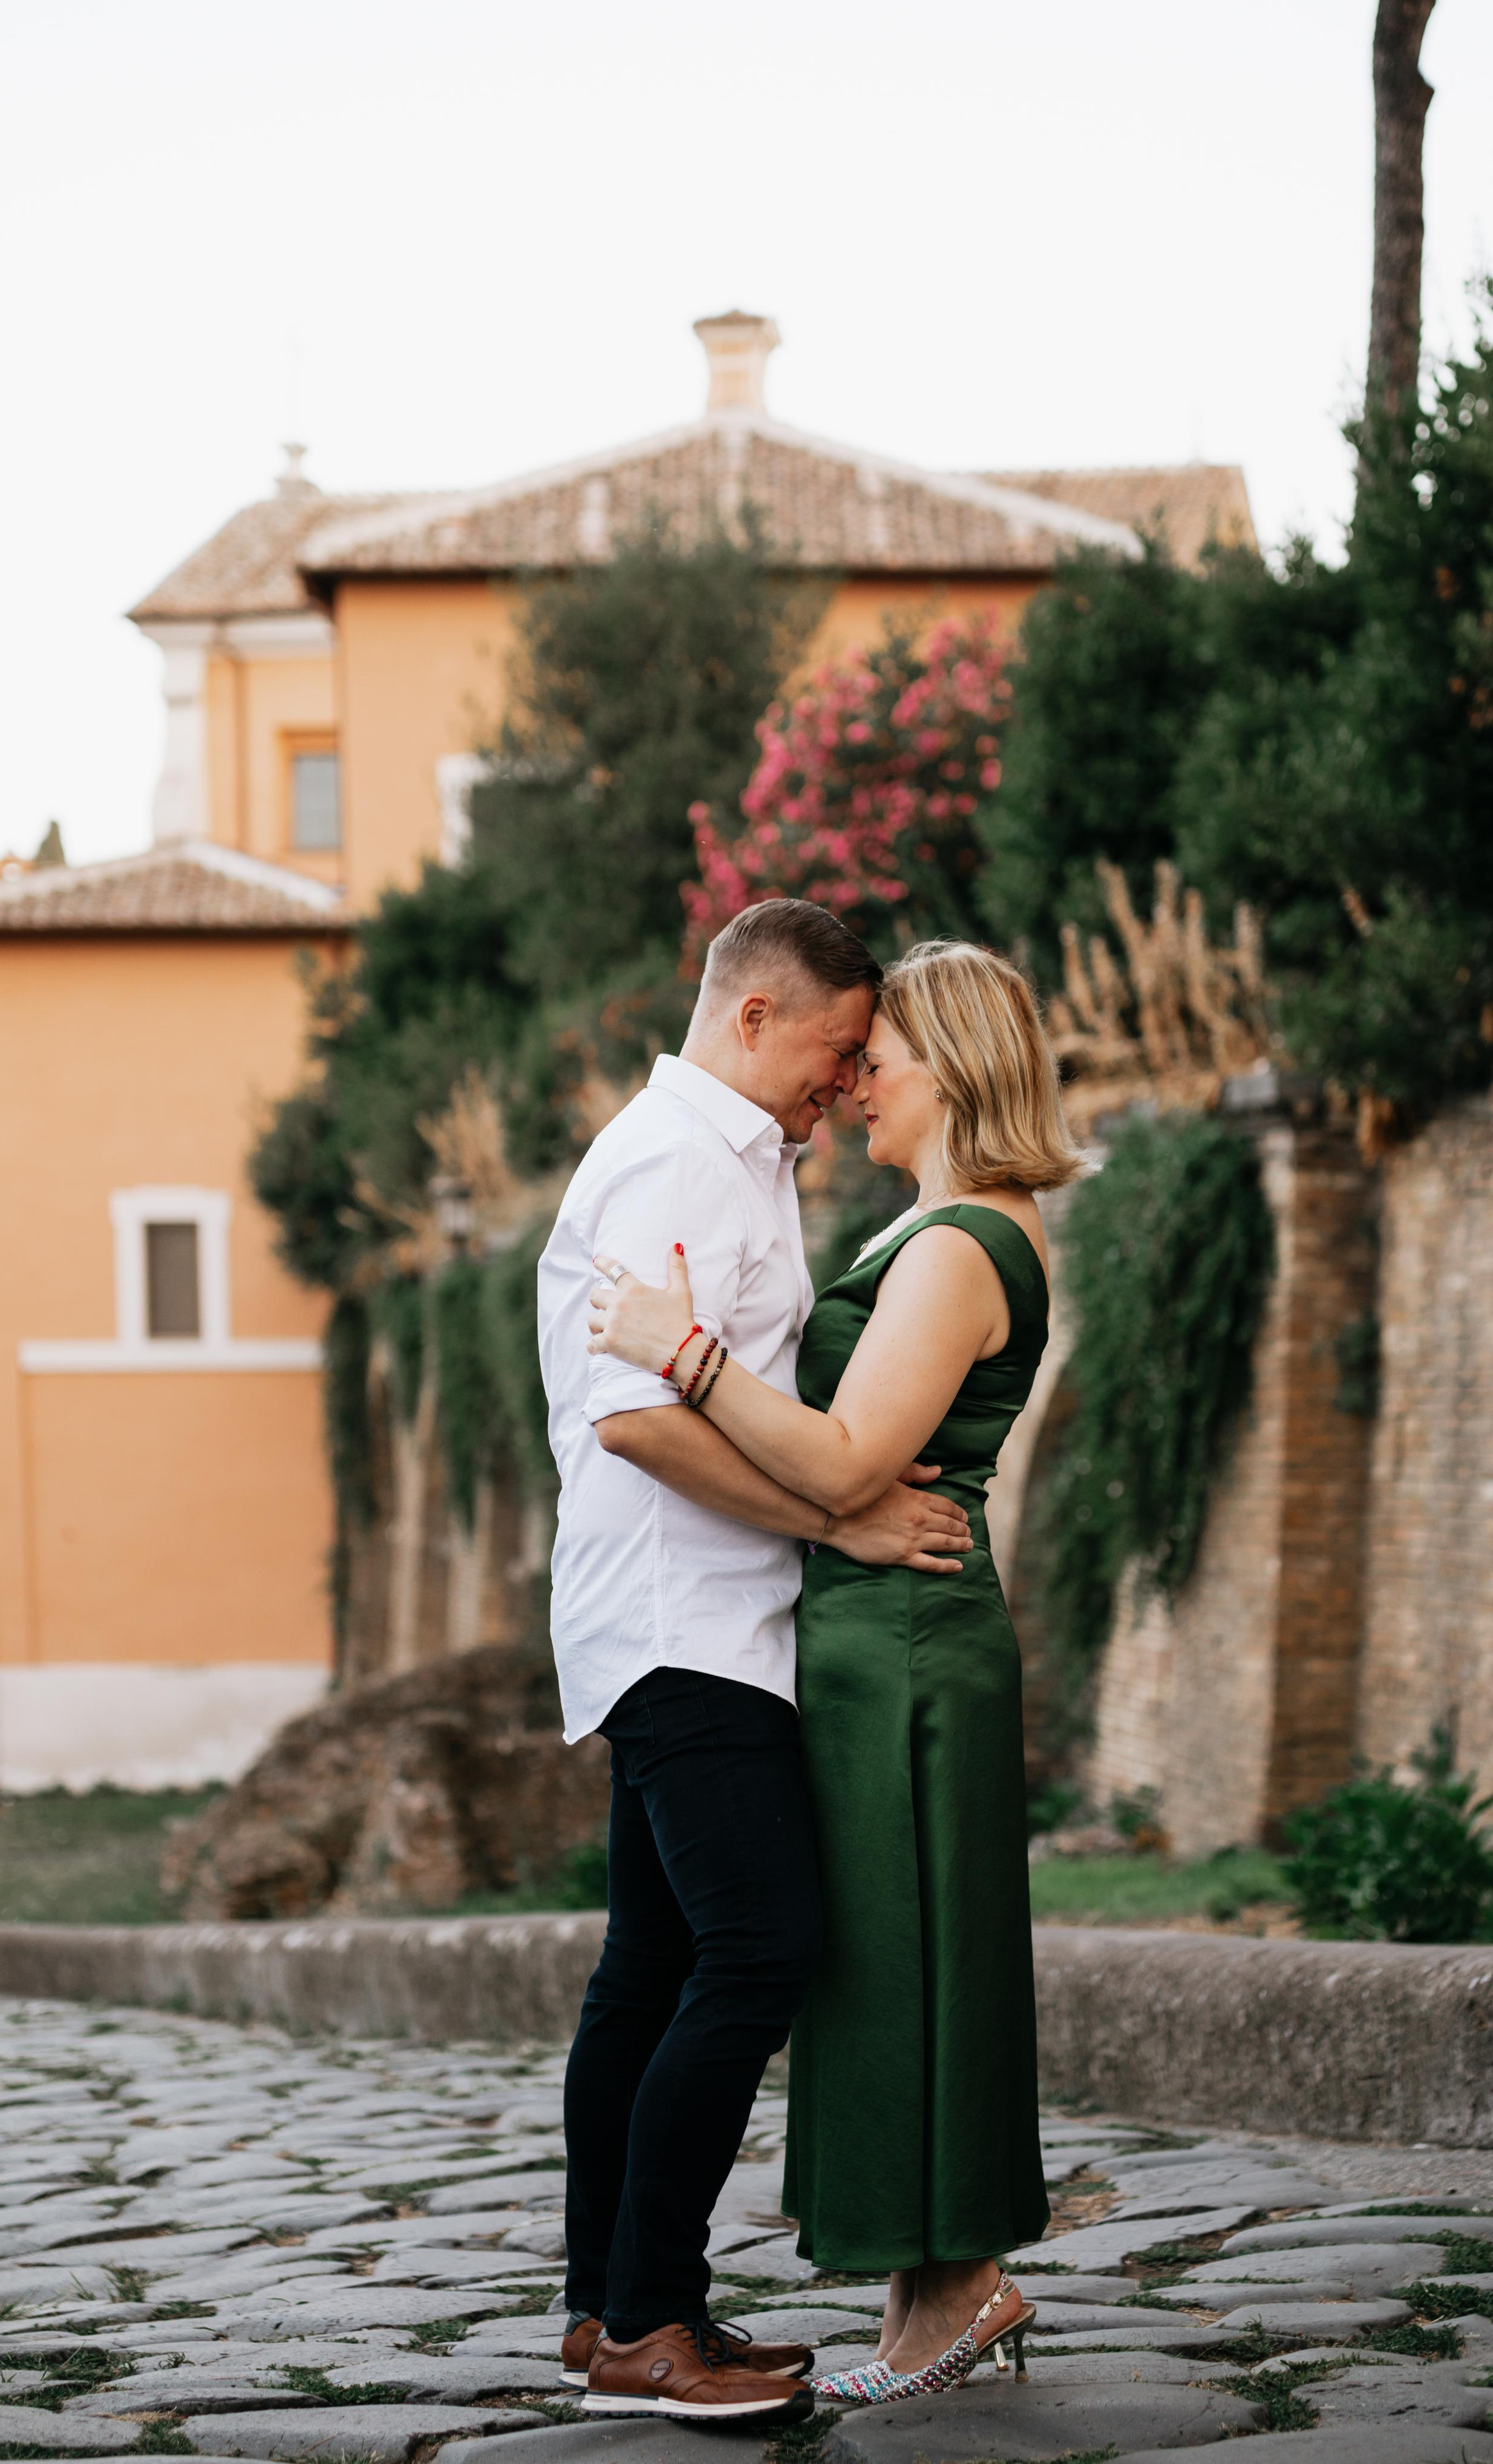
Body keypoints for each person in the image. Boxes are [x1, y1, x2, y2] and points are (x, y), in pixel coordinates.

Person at [588, 936, 1086, 2408]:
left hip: (908, 1641)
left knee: (910, 1951)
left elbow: (851, 1458)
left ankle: (951, 2280)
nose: (858, 1080)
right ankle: (922, 2279)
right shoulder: (925, 1229)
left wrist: (679, 1351)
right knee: (883, 1957)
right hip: (868, 1631)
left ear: (956, 1071)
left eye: (883, 1058)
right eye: (850, 1055)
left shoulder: (960, 1245)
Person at [536, 898, 977, 2429]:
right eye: (835, 1048)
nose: (844, 1082)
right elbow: (636, 1420)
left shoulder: (725, 1158)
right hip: (687, 1622)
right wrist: (840, 1519)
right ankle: (648, 2320)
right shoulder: (676, 1160)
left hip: (689, 1616)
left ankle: (609, 2308)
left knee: (651, 1967)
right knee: (759, 1949)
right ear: (752, 1017)